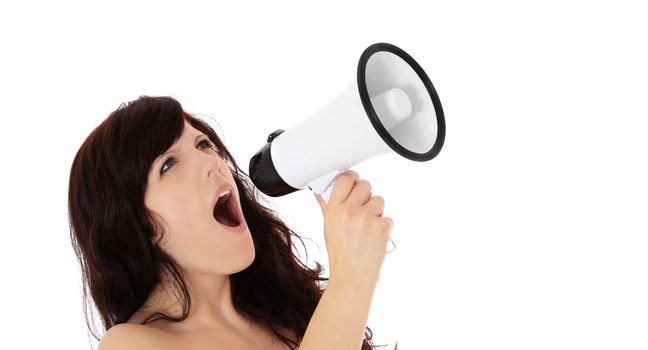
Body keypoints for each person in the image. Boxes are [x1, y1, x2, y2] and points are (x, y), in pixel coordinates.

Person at [68, 95, 397, 349]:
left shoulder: (286, 311)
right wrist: (352, 280)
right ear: (137, 225)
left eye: (203, 144)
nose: (213, 163)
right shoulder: (129, 344)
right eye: (167, 164)